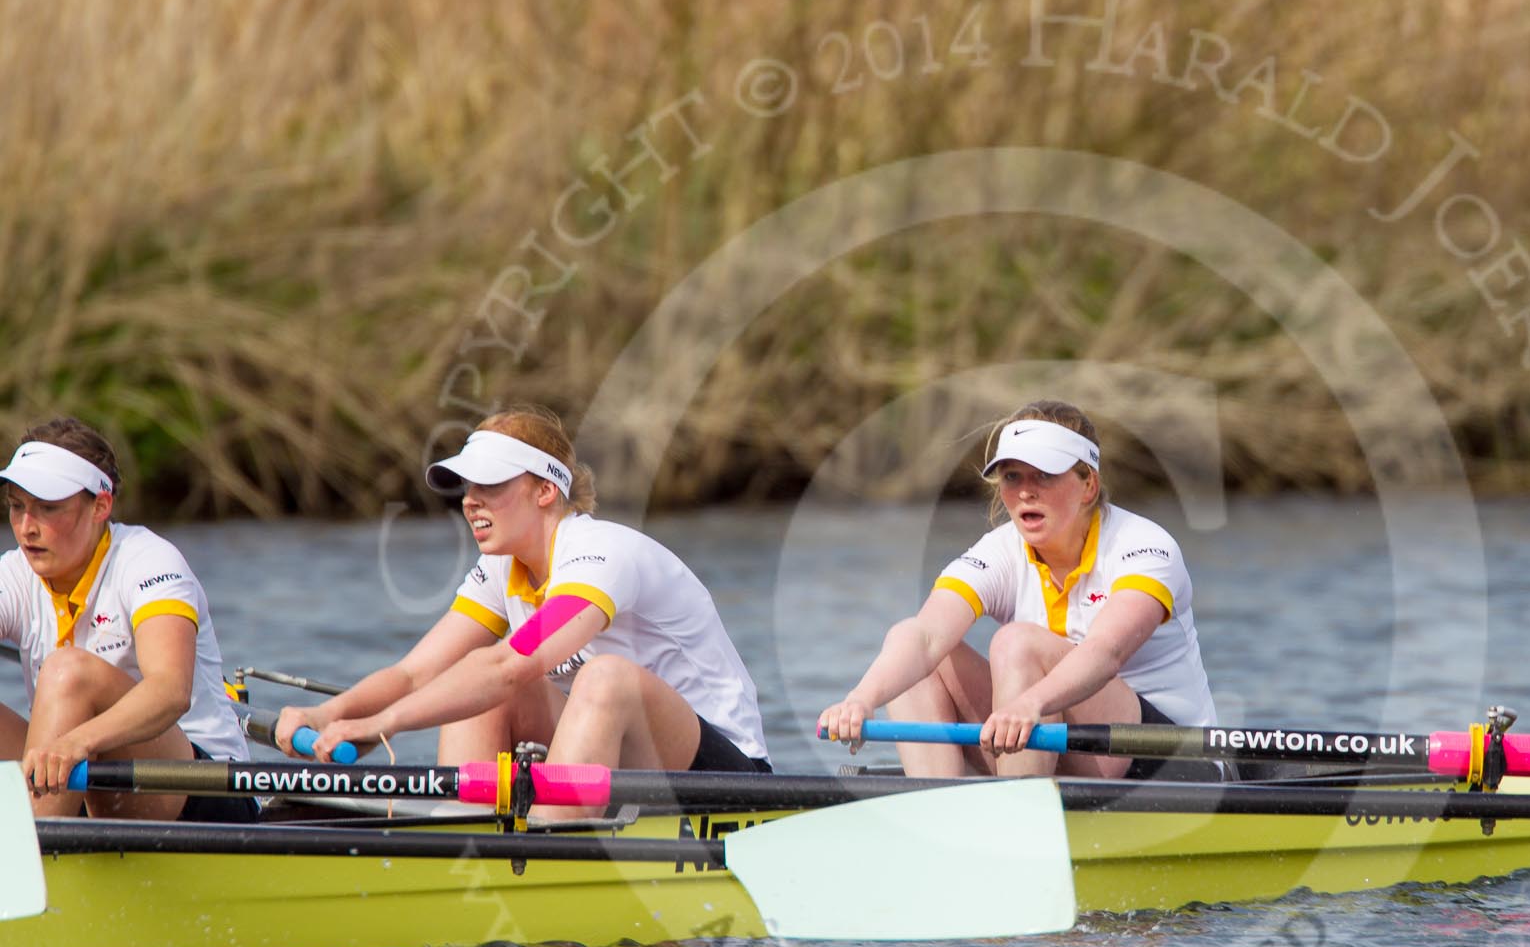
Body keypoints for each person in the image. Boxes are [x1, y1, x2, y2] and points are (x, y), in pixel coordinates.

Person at [278, 405, 769, 782]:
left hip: (723, 775)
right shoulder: (501, 567)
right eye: (467, 487)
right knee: (476, 686)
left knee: (593, 678)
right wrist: (331, 714)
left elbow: (514, 665)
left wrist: (383, 726)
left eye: (490, 484)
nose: (470, 501)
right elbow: (413, 674)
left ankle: (548, 849)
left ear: (545, 492)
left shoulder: (600, 553)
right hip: (625, 766)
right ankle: (466, 843)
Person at [819, 400, 1216, 779]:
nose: (1026, 491)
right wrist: (861, 699)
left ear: (1088, 486)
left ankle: (1019, 811)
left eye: (1044, 475)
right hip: (1045, 738)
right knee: (918, 655)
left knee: (1017, 644)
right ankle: (938, 812)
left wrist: (1031, 703)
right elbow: (924, 637)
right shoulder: (1000, 552)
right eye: (1012, 476)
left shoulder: (1143, 545)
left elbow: (1105, 652)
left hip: (1168, 757)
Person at [0, 418, 255, 821]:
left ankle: (34, 857)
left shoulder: (148, 561)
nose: (26, 528)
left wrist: (76, 742)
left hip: (201, 786)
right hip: (87, 780)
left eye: (48, 508)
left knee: (68, 672)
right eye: (17, 508)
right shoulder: (16, 573)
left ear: (101, 505)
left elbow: (171, 691)